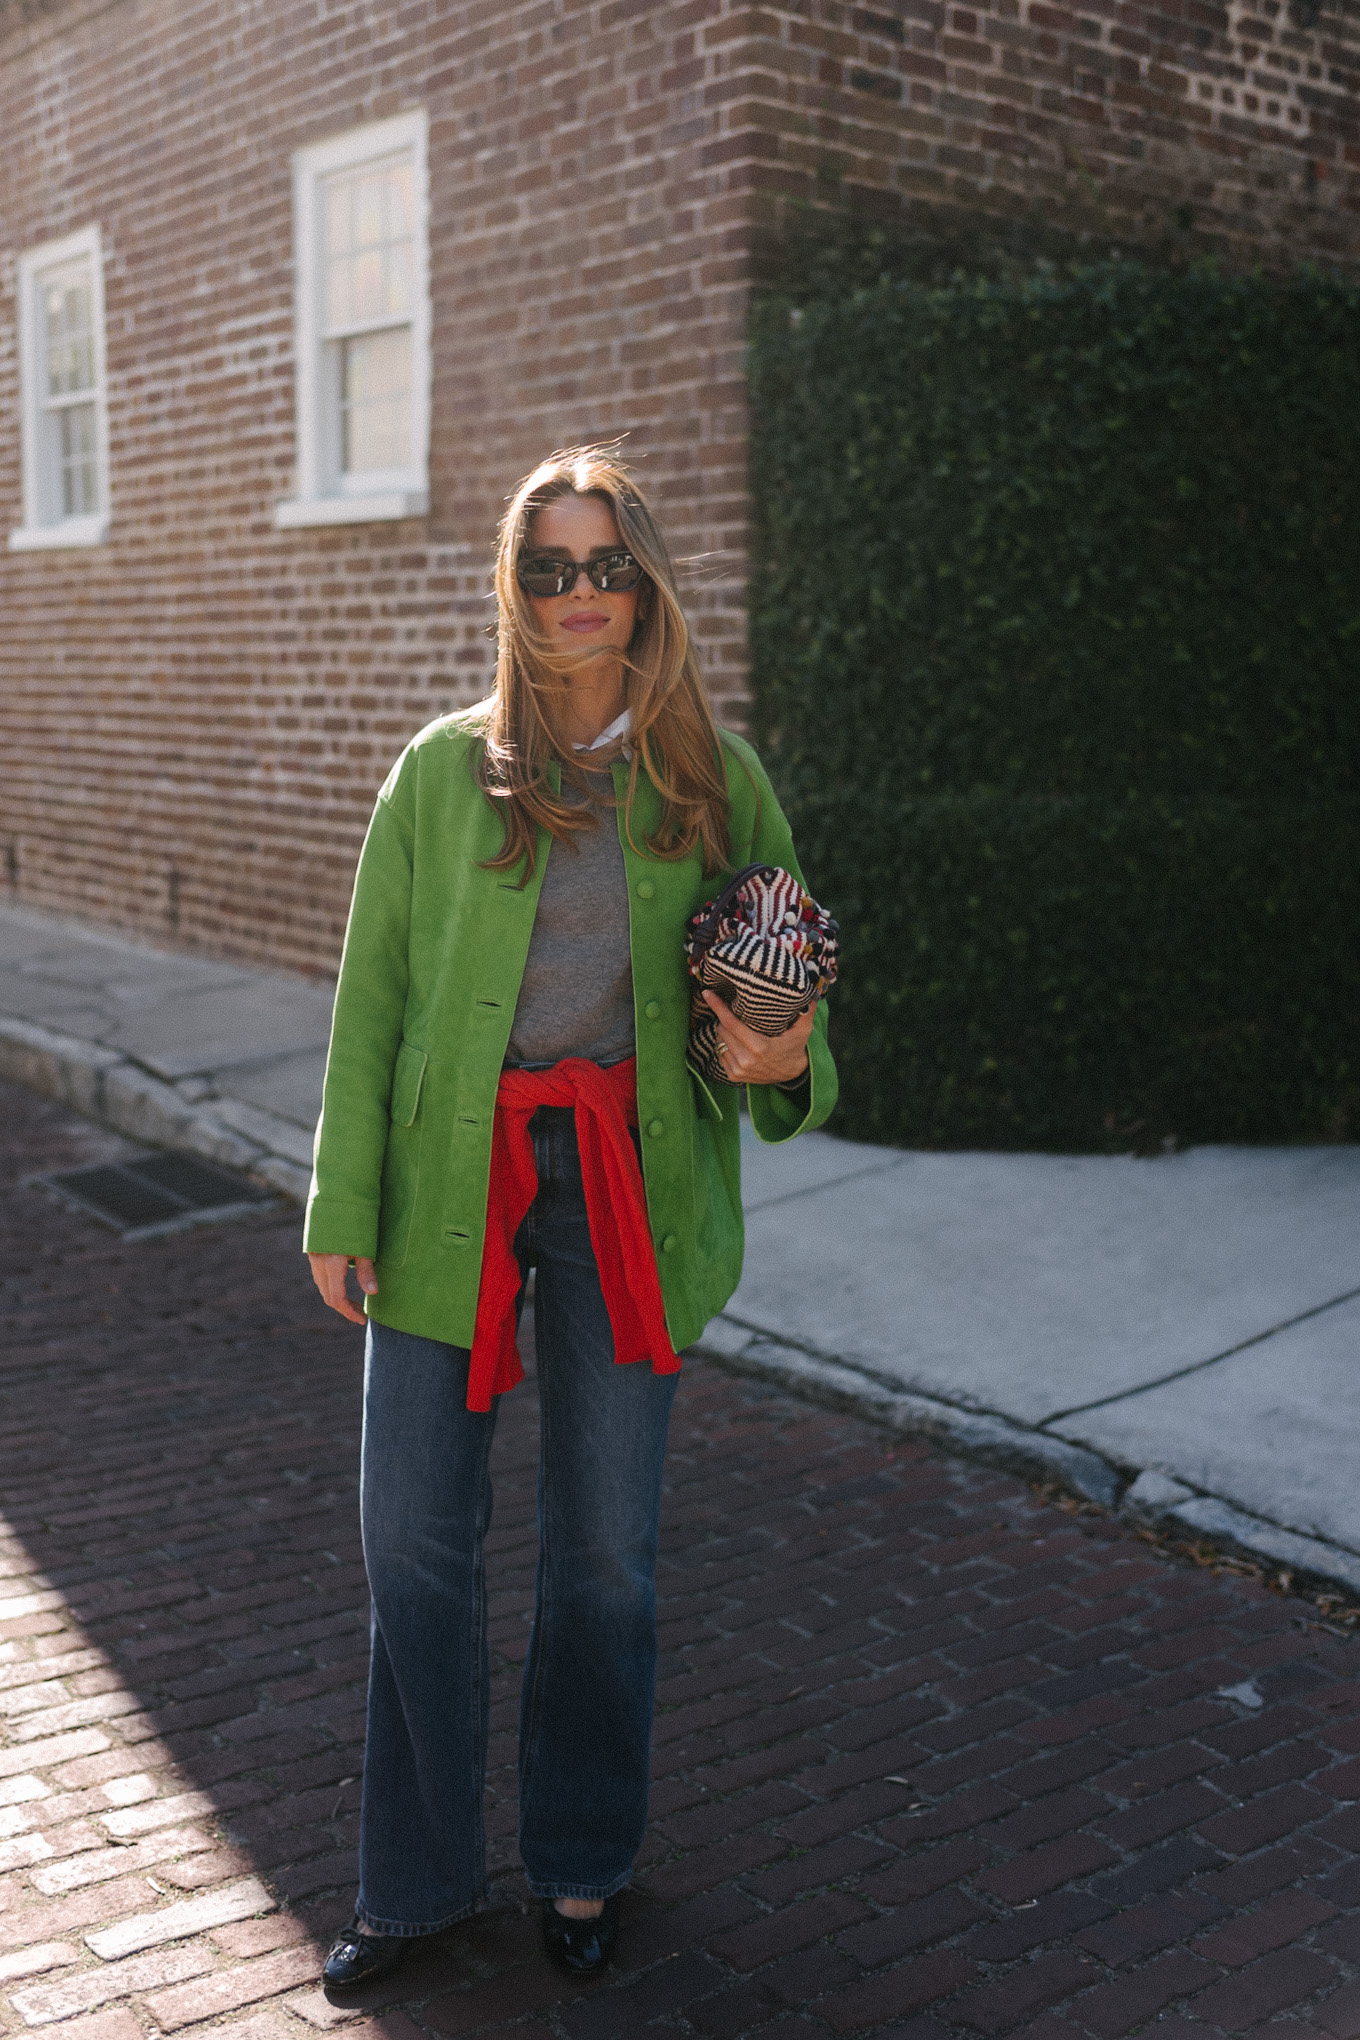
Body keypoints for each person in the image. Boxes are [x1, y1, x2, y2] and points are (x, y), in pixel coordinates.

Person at [304, 446, 837, 1986]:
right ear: (514, 588)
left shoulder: (713, 781)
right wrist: (343, 1195)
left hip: (625, 1180)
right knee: (410, 1539)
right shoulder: (437, 771)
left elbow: (787, 983)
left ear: (647, 581)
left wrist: (779, 1046)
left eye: (607, 565)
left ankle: (583, 1859)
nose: (581, 594)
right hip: (447, 1179)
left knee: (606, 1558)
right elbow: (373, 1004)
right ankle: (410, 1885)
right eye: (550, 568)